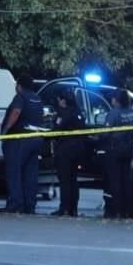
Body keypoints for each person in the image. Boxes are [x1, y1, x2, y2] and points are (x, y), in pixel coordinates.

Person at [1, 74, 45, 214]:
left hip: (20, 139)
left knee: (14, 171)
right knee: (30, 173)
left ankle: (15, 204)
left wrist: (6, 129)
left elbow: (16, 112)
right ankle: (29, 205)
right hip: (36, 138)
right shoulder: (37, 98)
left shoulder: (20, 96)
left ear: (19, 85)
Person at [103, 88, 133, 219]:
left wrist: (96, 138)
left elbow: (106, 133)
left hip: (114, 151)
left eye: (113, 98)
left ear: (116, 100)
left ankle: (116, 210)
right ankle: (127, 210)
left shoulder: (113, 114)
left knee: (115, 181)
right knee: (126, 181)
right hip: (128, 150)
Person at [51, 88, 87, 217]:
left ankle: (65, 208)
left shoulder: (63, 114)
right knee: (73, 180)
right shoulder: (79, 113)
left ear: (63, 100)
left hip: (65, 150)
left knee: (65, 180)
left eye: (59, 100)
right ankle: (73, 208)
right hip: (78, 150)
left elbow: (56, 130)